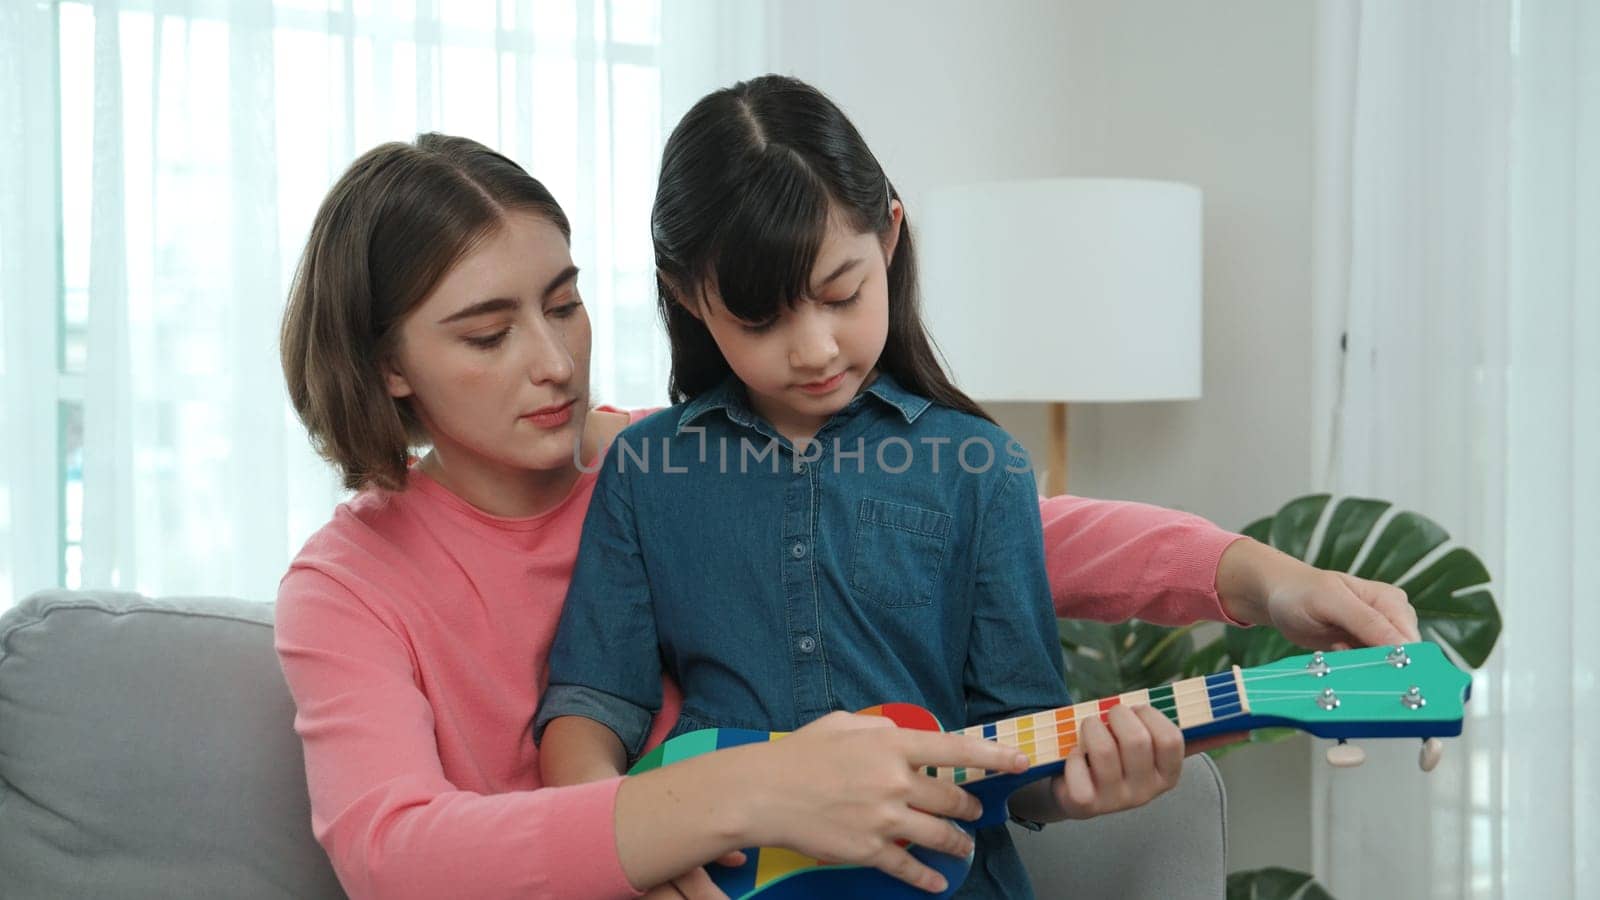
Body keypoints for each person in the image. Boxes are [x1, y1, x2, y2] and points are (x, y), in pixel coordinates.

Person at [276, 130, 1417, 900]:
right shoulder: (349, 585)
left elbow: (1015, 529)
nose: (552, 360)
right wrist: (674, 816)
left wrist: (1266, 581)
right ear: (386, 366)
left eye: (564, 304)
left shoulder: (644, 459)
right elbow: (393, 848)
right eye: (487, 334)